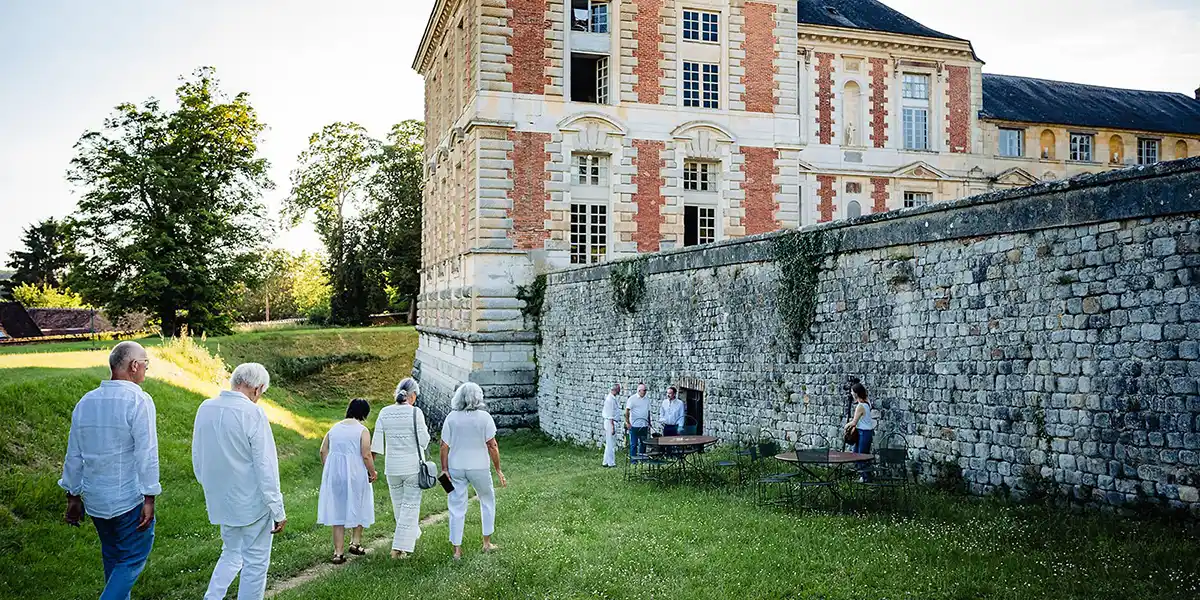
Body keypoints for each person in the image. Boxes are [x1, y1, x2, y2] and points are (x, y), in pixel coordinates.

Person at [59, 341, 160, 600]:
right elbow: (146, 454)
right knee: (132, 558)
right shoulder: (139, 400)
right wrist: (149, 496)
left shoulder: (87, 401)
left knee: (113, 559)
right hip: (128, 499)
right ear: (134, 366)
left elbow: (74, 453)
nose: (146, 369)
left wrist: (73, 495)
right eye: (145, 364)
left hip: (95, 500)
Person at [193, 363, 286, 600]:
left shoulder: (206, 407)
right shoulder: (253, 413)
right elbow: (266, 465)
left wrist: (208, 487)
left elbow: (198, 456)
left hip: (221, 498)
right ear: (257, 389)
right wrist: (277, 507)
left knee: (231, 552)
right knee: (255, 563)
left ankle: (212, 597)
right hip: (252, 502)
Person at [440, 382, 507, 561]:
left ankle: (457, 551)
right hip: (479, 466)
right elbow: (492, 445)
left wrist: (444, 469)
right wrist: (498, 469)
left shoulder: (451, 417)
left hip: (456, 466)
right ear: (478, 397)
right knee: (487, 500)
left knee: (456, 505)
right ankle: (486, 543)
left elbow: (444, 445)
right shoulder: (484, 418)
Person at [371, 378, 430, 559]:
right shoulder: (415, 413)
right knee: (410, 507)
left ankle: (407, 539)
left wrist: (371, 467)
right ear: (412, 396)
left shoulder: (384, 412)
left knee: (399, 507)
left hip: (392, 467)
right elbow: (424, 440)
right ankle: (398, 548)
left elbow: (376, 443)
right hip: (412, 467)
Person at [318, 398, 377, 564]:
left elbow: (323, 450)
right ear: (364, 413)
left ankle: (338, 553)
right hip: (355, 473)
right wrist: (372, 472)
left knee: (338, 510)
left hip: (336, 474)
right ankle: (355, 543)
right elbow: (366, 454)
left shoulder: (334, 428)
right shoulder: (362, 430)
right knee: (358, 504)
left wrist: (329, 468)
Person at [843, 382, 876, 482]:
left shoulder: (860, 406)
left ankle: (866, 478)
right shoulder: (867, 402)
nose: (851, 394)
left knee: (861, 455)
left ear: (856, 393)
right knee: (857, 454)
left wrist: (846, 426)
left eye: (852, 392)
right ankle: (864, 475)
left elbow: (854, 422)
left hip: (864, 433)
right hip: (864, 432)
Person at [624, 383, 651, 460]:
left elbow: (648, 412)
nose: (645, 392)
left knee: (643, 443)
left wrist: (649, 422)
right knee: (634, 444)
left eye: (646, 390)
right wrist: (627, 422)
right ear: (639, 391)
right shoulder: (632, 399)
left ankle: (642, 458)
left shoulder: (647, 400)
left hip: (644, 425)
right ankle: (633, 460)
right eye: (644, 390)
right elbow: (627, 411)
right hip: (634, 425)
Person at [601, 383, 622, 467]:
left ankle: (605, 461)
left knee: (609, 443)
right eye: (618, 389)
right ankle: (611, 463)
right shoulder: (610, 400)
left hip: (611, 422)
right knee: (611, 444)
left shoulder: (612, 398)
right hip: (610, 423)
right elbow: (610, 415)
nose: (619, 391)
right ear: (615, 390)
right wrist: (612, 426)